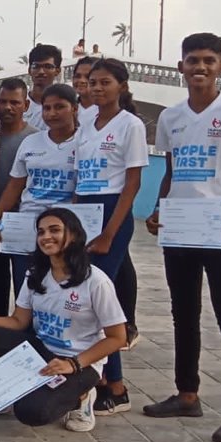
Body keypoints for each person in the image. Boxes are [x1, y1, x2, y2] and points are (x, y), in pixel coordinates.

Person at [144, 33, 221, 442]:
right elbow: (171, 171)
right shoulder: (172, 117)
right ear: (181, 67)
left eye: (208, 60)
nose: (200, 67)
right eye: (193, 60)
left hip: (220, 226)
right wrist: (159, 207)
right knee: (182, 313)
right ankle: (187, 393)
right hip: (182, 226)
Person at [0, 208, 126, 431]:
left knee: (32, 412)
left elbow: (117, 338)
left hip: (79, 362)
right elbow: (19, 321)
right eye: (41, 232)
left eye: (55, 230)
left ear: (75, 235)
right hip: (41, 353)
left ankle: (83, 397)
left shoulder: (95, 281)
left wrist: (73, 364)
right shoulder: (36, 274)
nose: (46, 236)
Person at [74, 57, 146, 414]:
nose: (97, 88)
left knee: (102, 300)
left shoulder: (131, 125)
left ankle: (115, 386)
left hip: (111, 212)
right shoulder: (86, 121)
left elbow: (132, 183)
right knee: (86, 297)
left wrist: (108, 234)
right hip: (84, 211)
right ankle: (104, 379)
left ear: (122, 86)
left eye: (105, 82)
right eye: (92, 82)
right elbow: (79, 173)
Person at [0, 83, 75, 310]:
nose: (52, 113)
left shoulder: (84, 143)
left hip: (64, 229)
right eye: (47, 108)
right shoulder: (31, 143)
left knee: (61, 291)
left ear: (74, 109)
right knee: (25, 290)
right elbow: (15, 185)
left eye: (59, 107)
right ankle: (25, 341)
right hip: (27, 227)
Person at [0, 78, 37, 314]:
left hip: (24, 222)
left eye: (14, 102)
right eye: (2, 102)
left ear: (26, 105)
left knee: (27, 284)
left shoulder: (35, 139)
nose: (8, 108)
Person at [23, 44, 62, 131]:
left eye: (48, 67)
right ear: (29, 70)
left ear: (57, 71)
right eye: (36, 66)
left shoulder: (65, 106)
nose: (41, 72)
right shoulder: (18, 105)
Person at [72, 57, 99, 127]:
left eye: (87, 77)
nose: (81, 80)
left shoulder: (107, 111)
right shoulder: (68, 109)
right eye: (77, 76)